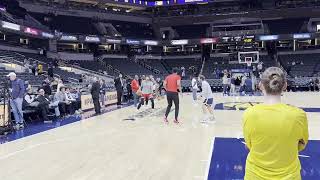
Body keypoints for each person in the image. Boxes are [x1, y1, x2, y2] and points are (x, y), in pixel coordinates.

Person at [243, 67, 309, 180]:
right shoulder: (299, 115)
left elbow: (249, 145)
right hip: (289, 176)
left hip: (254, 175)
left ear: (260, 85)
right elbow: (301, 144)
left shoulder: (249, 113)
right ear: (285, 85)